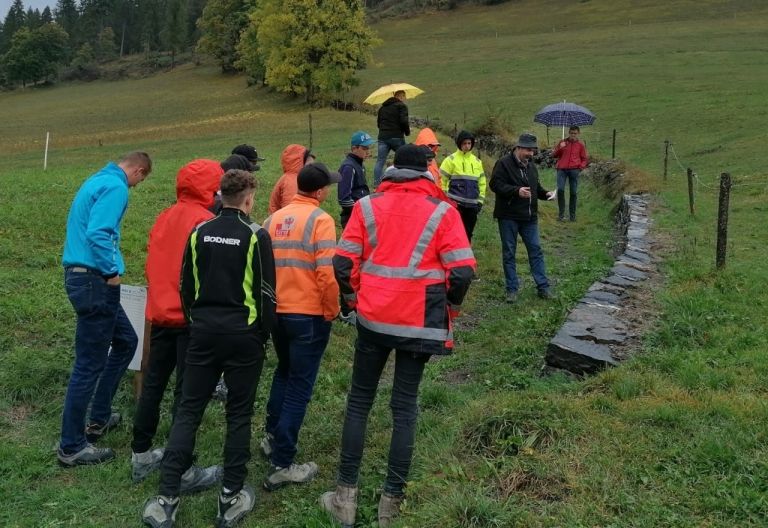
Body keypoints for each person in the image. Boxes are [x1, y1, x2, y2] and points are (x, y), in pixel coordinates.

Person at [321, 145, 476, 528]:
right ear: (427, 171)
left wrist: (353, 299)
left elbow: (342, 262)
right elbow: (461, 272)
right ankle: (391, 505)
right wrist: (449, 309)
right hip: (418, 323)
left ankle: (344, 499)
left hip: (373, 320)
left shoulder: (366, 207)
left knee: (359, 402)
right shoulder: (444, 212)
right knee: (404, 407)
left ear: (391, 170)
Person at [142, 170, 276, 528]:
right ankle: (230, 496)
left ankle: (166, 498)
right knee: (239, 414)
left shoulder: (199, 231)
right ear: (248, 198)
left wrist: (194, 321)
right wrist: (261, 336)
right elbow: (267, 293)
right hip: (243, 336)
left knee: (188, 410)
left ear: (220, 197)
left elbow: (185, 284)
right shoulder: (256, 234)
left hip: (201, 333)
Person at [131, 159, 224, 490]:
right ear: (210, 188)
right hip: (189, 319)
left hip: (160, 314)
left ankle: (141, 454)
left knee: (153, 385)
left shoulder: (165, 216)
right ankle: (181, 469)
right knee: (187, 396)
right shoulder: (206, 222)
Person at [58, 151, 152, 467]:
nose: (136, 186)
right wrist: (112, 271)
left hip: (82, 277)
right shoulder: (116, 187)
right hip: (95, 280)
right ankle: (72, 446)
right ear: (139, 171)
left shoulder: (97, 179)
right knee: (88, 365)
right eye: (140, 181)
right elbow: (99, 232)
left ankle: (99, 416)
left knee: (126, 341)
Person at [260, 163, 341, 492]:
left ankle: (270, 436)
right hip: (308, 315)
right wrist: (332, 309)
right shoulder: (321, 220)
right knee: (299, 386)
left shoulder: (272, 220)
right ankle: (283, 462)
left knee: (284, 371)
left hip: (277, 313)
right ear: (319, 191)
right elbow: (327, 273)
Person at [489, 133, 556, 304]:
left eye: (533, 151)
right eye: (527, 150)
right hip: (508, 216)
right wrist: (516, 191)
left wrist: (546, 194)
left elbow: (536, 188)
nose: (530, 154)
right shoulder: (503, 164)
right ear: (518, 148)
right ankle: (512, 289)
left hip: (529, 218)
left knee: (536, 250)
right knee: (509, 253)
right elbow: (495, 185)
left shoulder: (531, 166)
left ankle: (543, 287)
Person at [439, 130, 486, 242]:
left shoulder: (477, 162)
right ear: (459, 144)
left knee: (468, 234)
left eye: (469, 143)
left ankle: (466, 252)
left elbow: (482, 183)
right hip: (455, 205)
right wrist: (446, 200)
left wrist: (480, 201)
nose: (467, 146)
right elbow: (441, 180)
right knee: (453, 233)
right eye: (464, 143)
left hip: (472, 206)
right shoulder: (450, 160)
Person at [338, 131, 375, 230]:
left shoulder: (359, 165)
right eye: (364, 148)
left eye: (368, 148)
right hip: (352, 218)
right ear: (354, 148)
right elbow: (343, 199)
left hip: (362, 214)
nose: (368, 152)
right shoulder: (348, 167)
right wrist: (359, 211)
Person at [373, 89, 410, 188]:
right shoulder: (402, 106)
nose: (405, 98)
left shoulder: (382, 108)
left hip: (383, 137)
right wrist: (407, 132)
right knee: (404, 159)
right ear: (400, 96)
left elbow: (379, 124)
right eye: (404, 96)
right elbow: (404, 121)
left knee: (380, 161)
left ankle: (377, 185)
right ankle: (404, 181)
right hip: (397, 137)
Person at [552, 125, 589, 221]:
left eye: (575, 133)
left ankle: (572, 216)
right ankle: (561, 215)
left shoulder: (581, 145)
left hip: (574, 170)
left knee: (573, 192)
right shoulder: (562, 142)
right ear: (569, 133)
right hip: (561, 169)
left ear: (578, 133)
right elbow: (554, 155)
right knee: (560, 190)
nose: (573, 135)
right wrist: (560, 148)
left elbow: (584, 159)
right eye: (571, 133)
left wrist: (580, 168)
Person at [269, 144, 314, 214]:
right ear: (300, 163)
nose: (313, 169)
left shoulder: (294, 178)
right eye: (310, 165)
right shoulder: (292, 182)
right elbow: (290, 213)